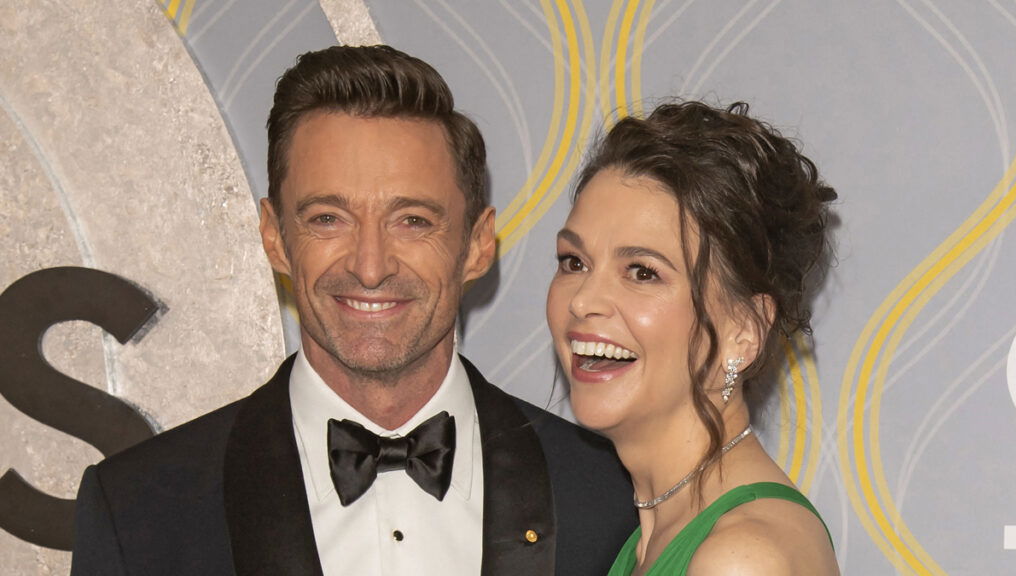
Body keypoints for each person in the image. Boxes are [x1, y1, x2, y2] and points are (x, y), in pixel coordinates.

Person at [71, 45, 636, 576]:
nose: (370, 267)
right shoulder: (139, 510)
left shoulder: (614, 492)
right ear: (274, 236)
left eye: (412, 220)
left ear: (477, 245)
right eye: (327, 218)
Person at [546, 101, 839, 575]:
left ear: (743, 330)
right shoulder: (660, 531)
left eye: (642, 272)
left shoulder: (740, 558)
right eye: (573, 262)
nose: (583, 301)